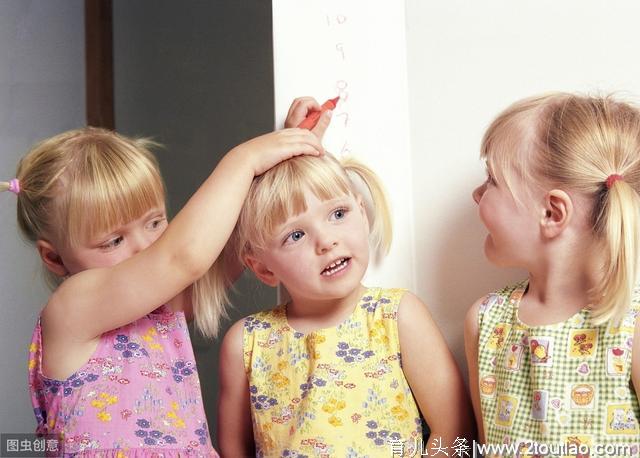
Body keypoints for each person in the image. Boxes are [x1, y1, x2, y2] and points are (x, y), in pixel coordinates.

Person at [1, 109, 327, 456]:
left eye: (155, 223)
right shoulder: (71, 309)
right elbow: (184, 258)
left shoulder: (157, 305)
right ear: (54, 258)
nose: (145, 246)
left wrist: (279, 159)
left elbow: (226, 251)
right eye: (114, 241)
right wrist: (244, 160)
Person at [216, 147, 472, 456]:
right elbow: (232, 448)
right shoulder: (247, 342)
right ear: (263, 268)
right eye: (295, 235)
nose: (326, 242)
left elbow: (454, 430)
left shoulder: (397, 316)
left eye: (338, 214)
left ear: (362, 215)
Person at [465, 93, 640, 454]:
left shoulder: (631, 325)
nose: (477, 194)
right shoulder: (484, 322)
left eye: (492, 180)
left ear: (552, 213)